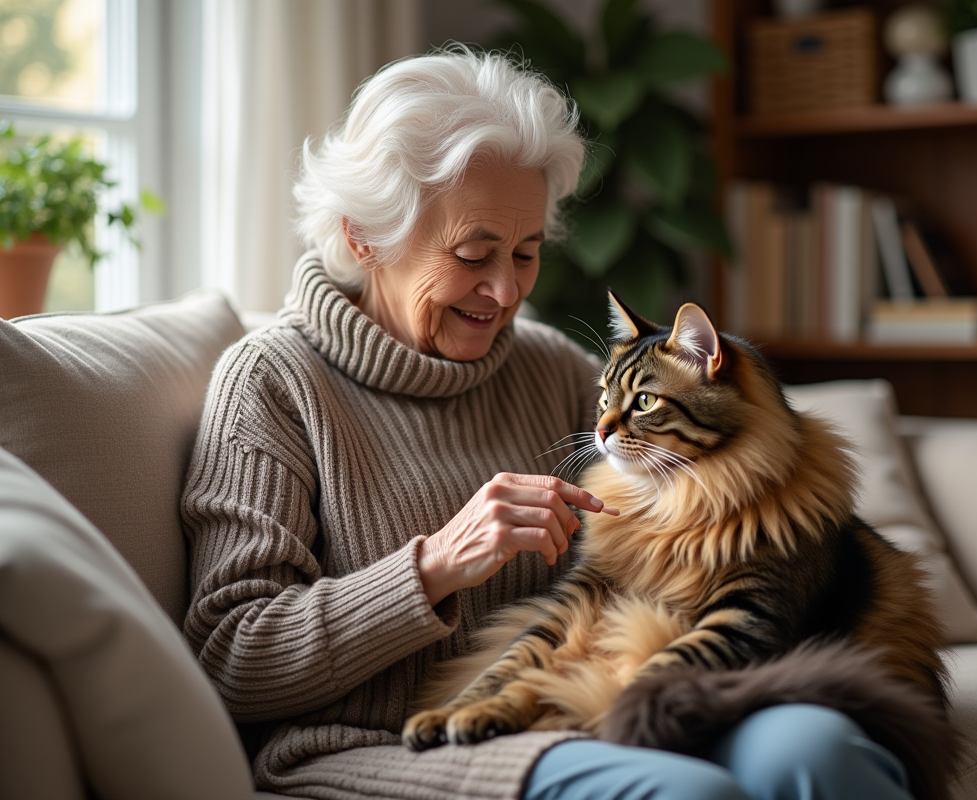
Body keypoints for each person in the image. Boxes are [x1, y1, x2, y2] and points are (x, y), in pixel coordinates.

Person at [182, 46, 914, 800]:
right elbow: (232, 660)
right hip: (386, 745)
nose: (506, 292)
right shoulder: (271, 383)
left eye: (526, 253)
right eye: (474, 255)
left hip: (585, 702)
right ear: (365, 237)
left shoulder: (550, 367)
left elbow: (711, 474)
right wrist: (435, 565)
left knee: (821, 752)